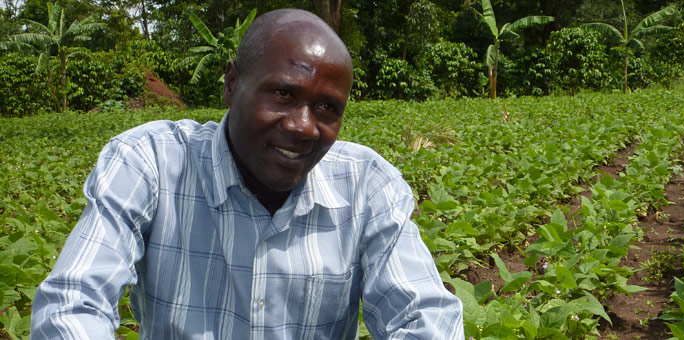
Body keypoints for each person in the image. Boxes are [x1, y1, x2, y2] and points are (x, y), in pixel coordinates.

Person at [31, 8, 463, 339]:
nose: (302, 125)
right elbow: (73, 302)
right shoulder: (152, 162)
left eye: (326, 108)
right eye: (282, 94)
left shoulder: (368, 186)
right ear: (232, 84)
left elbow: (424, 316)